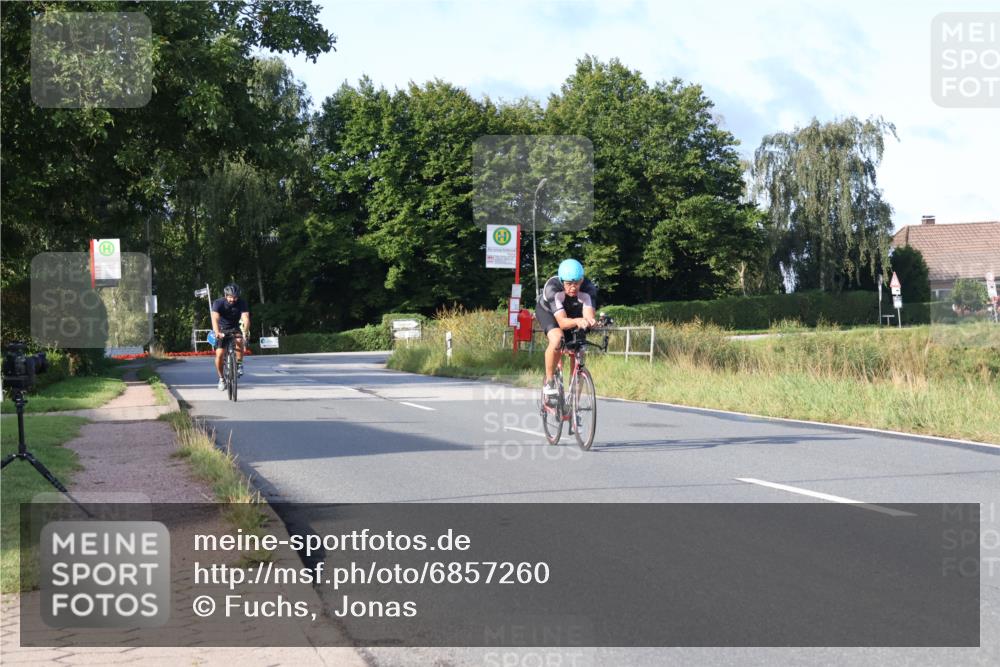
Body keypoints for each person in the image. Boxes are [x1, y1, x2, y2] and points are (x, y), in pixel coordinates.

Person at [534, 259, 598, 404]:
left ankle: (574, 402)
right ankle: (550, 382)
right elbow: (562, 322)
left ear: (582, 280)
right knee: (557, 339)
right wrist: (577, 321)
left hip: (572, 313)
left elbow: (588, 315)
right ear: (562, 281)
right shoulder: (553, 288)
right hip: (548, 312)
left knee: (579, 350)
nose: (573, 287)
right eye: (569, 283)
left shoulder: (588, 288)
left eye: (577, 283)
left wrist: (591, 321)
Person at [211, 283, 250, 391]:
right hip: (221, 329)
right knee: (219, 354)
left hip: (234, 328)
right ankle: (221, 379)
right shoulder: (218, 303)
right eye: (230, 297)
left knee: (239, 340)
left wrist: (245, 332)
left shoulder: (241, 303)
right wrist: (217, 332)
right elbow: (215, 319)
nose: (233, 299)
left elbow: (245, 317)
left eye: (235, 297)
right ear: (225, 295)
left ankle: (239, 364)